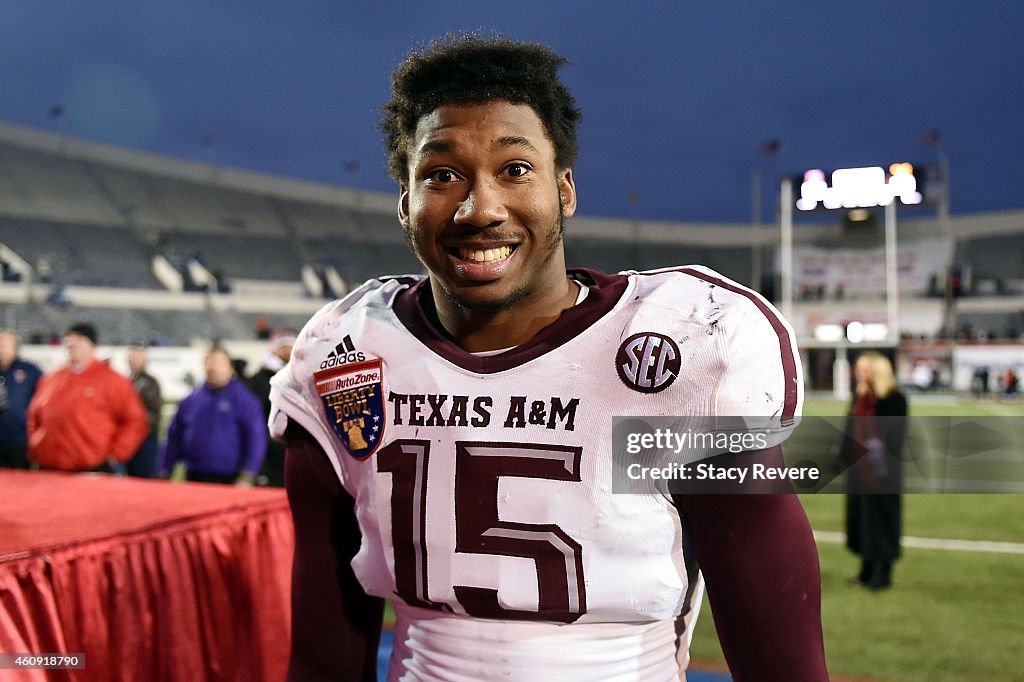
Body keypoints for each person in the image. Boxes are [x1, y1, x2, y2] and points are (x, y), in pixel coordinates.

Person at [269, 35, 827, 681]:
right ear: (405, 202)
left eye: (514, 169)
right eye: (442, 174)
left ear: (564, 190)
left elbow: (780, 658)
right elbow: (322, 652)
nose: (481, 209)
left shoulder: (682, 347)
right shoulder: (348, 353)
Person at [27, 323, 149, 473]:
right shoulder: (51, 379)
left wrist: (116, 454)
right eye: (69, 338)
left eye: (78, 338)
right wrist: (36, 446)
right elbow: (34, 417)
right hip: (50, 466)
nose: (72, 343)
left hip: (92, 468)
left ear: (91, 344)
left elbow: (135, 420)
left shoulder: (113, 381)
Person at [839, 352, 907, 590]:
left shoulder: (894, 399)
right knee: (862, 522)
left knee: (883, 521)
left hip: (883, 473)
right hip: (859, 472)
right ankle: (866, 571)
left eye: (864, 369)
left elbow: (895, 438)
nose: (859, 374)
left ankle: (884, 574)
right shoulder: (859, 398)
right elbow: (850, 431)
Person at [161, 345, 267, 486]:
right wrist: (165, 468)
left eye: (218, 363)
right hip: (194, 476)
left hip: (230, 478)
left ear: (230, 368)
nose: (213, 368)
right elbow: (175, 436)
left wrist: (248, 474)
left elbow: (256, 438)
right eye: (209, 362)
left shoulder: (245, 400)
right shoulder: (191, 399)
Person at [246, 327, 296, 487]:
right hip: (267, 456)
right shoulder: (258, 381)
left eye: (290, 346)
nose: (287, 350)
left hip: (297, 450)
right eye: (283, 346)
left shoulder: (305, 377)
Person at [0, 330, 43, 469]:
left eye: (4, 344)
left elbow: (43, 400)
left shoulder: (30, 371)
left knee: (20, 483)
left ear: (15, 347)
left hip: (20, 440)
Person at [126, 343, 163, 478]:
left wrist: (136, 423)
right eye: (133, 356)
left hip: (146, 439)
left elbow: (154, 412)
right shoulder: (127, 381)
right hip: (130, 439)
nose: (135, 360)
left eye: (139, 356)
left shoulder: (151, 383)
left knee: (146, 477)